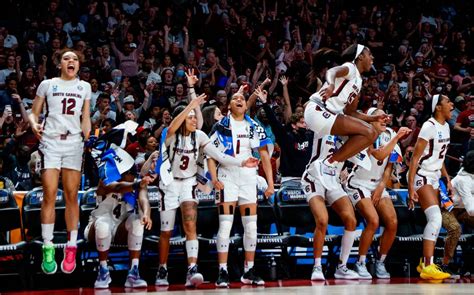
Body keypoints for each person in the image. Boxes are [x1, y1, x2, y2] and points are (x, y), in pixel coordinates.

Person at [153, 71, 259, 288]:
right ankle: (161, 268)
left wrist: (241, 162)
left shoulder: (199, 136)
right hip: (169, 183)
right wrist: (189, 106)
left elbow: (218, 155)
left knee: (190, 224)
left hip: (189, 183)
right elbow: (174, 125)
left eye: (194, 116)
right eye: (190, 117)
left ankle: (192, 269)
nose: (194, 119)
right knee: (166, 230)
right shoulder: (170, 134)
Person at [28, 50, 91, 275]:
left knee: (72, 194)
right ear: (59, 64)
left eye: (74, 58)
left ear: (78, 64)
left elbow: (86, 117)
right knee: (49, 192)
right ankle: (48, 245)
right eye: (66, 58)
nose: (70, 61)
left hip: (74, 143)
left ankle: (71, 245)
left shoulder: (84, 87)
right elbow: (33, 113)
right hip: (51, 143)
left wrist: (88, 137)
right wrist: (34, 125)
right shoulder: (47, 84)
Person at [207, 87, 274, 287]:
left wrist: (270, 183)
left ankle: (249, 270)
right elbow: (210, 154)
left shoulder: (254, 126)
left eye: (242, 98)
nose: (239, 100)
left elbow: (264, 156)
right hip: (227, 177)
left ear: (246, 105)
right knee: (226, 225)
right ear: (228, 105)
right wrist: (214, 178)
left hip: (248, 179)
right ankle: (223, 271)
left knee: (251, 227)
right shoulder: (221, 125)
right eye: (235, 98)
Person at [304, 44, 390, 190]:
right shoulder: (350, 67)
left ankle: (339, 158)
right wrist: (331, 85)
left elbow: (351, 113)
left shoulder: (359, 80)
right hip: (319, 110)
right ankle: (329, 162)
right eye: (369, 54)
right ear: (360, 56)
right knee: (369, 133)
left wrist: (374, 119)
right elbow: (332, 71)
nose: (372, 58)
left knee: (369, 133)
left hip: (328, 115)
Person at [344, 107, 411, 279]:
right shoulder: (363, 133)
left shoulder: (389, 133)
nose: (384, 119)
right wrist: (397, 138)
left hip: (377, 185)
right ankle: (360, 262)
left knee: (392, 222)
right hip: (358, 183)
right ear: (370, 119)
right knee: (373, 221)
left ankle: (380, 262)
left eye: (385, 117)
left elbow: (389, 164)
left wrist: (382, 185)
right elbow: (379, 155)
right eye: (379, 117)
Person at [85, 153, 154, 289]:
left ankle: (134, 272)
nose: (134, 176)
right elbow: (118, 188)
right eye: (130, 173)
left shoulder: (137, 184)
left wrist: (146, 214)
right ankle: (103, 271)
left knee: (137, 222)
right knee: (103, 225)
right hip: (97, 225)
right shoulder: (105, 182)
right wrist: (136, 184)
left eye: (134, 173)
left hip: (120, 227)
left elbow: (144, 199)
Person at [301, 130, 360, 280]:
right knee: (322, 220)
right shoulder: (322, 127)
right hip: (314, 178)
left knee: (351, 220)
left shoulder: (350, 137)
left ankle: (342, 267)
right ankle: (317, 266)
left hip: (333, 180)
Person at [408, 94, 453, 280]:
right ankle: (428, 265)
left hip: (435, 177)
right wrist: (411, 187)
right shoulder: (429, 126)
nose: (451, 104)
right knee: (435, 218)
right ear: (438, 107)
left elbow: (439, 156)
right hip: (422, 175)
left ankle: (425, 263)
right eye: (448, 102)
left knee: (435, 221)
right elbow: (415, 158)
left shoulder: (447, 126)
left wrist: (447, 178)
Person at [440, 150, 474, 278]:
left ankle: (469, 263)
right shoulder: (462, 180)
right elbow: (471, 210)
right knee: (455, 229)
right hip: (447, 210)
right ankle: (445, 265)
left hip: (462, 210)